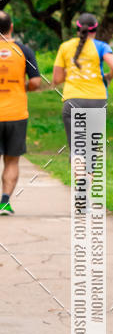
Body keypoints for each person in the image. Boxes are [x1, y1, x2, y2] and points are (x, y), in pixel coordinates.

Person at [52, 13, 113, 149]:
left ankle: (78, 162)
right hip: (97, 101)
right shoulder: (101, 46)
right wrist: (108, 77)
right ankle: (89, 164)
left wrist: (73, 71)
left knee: (77, 150)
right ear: (95, 30)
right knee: (91, 151)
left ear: (77, 29)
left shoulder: (65, 47)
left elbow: (57, 79)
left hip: (73, 100)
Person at [0, 11, 42, 215]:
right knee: (12, 160)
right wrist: (20, 87)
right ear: (11, 27)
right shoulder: (24, 51)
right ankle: (4, 202)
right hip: (16, 114)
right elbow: (35, 82)